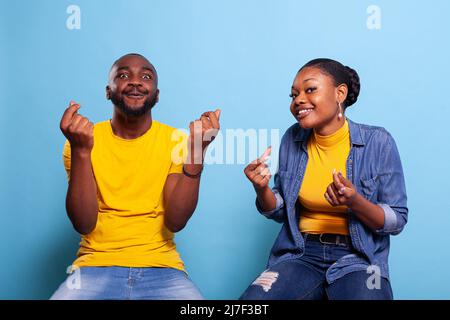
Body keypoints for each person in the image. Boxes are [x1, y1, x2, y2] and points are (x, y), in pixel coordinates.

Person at [51, 53, 220, 300]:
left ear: (157, 94)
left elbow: (175, 221)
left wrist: (197, 150)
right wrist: (81, 150)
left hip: (162, 267)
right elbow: (84, 223)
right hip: (94, 266)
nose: (135, 81)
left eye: (146, 76)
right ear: (108, 91)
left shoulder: (176, 141)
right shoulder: (83, 139)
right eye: (123, 75)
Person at [240, 58, 407, 300]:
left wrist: (354, 202)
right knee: (253, 302)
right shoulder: (293, 138)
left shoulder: (378, 142)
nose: (298, 100)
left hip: (360, 259)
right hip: (301, 254)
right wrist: (261, 188)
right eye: (293, 94)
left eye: (310, 90)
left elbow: (397, 219)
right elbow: (279, 209)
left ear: (340, 93)